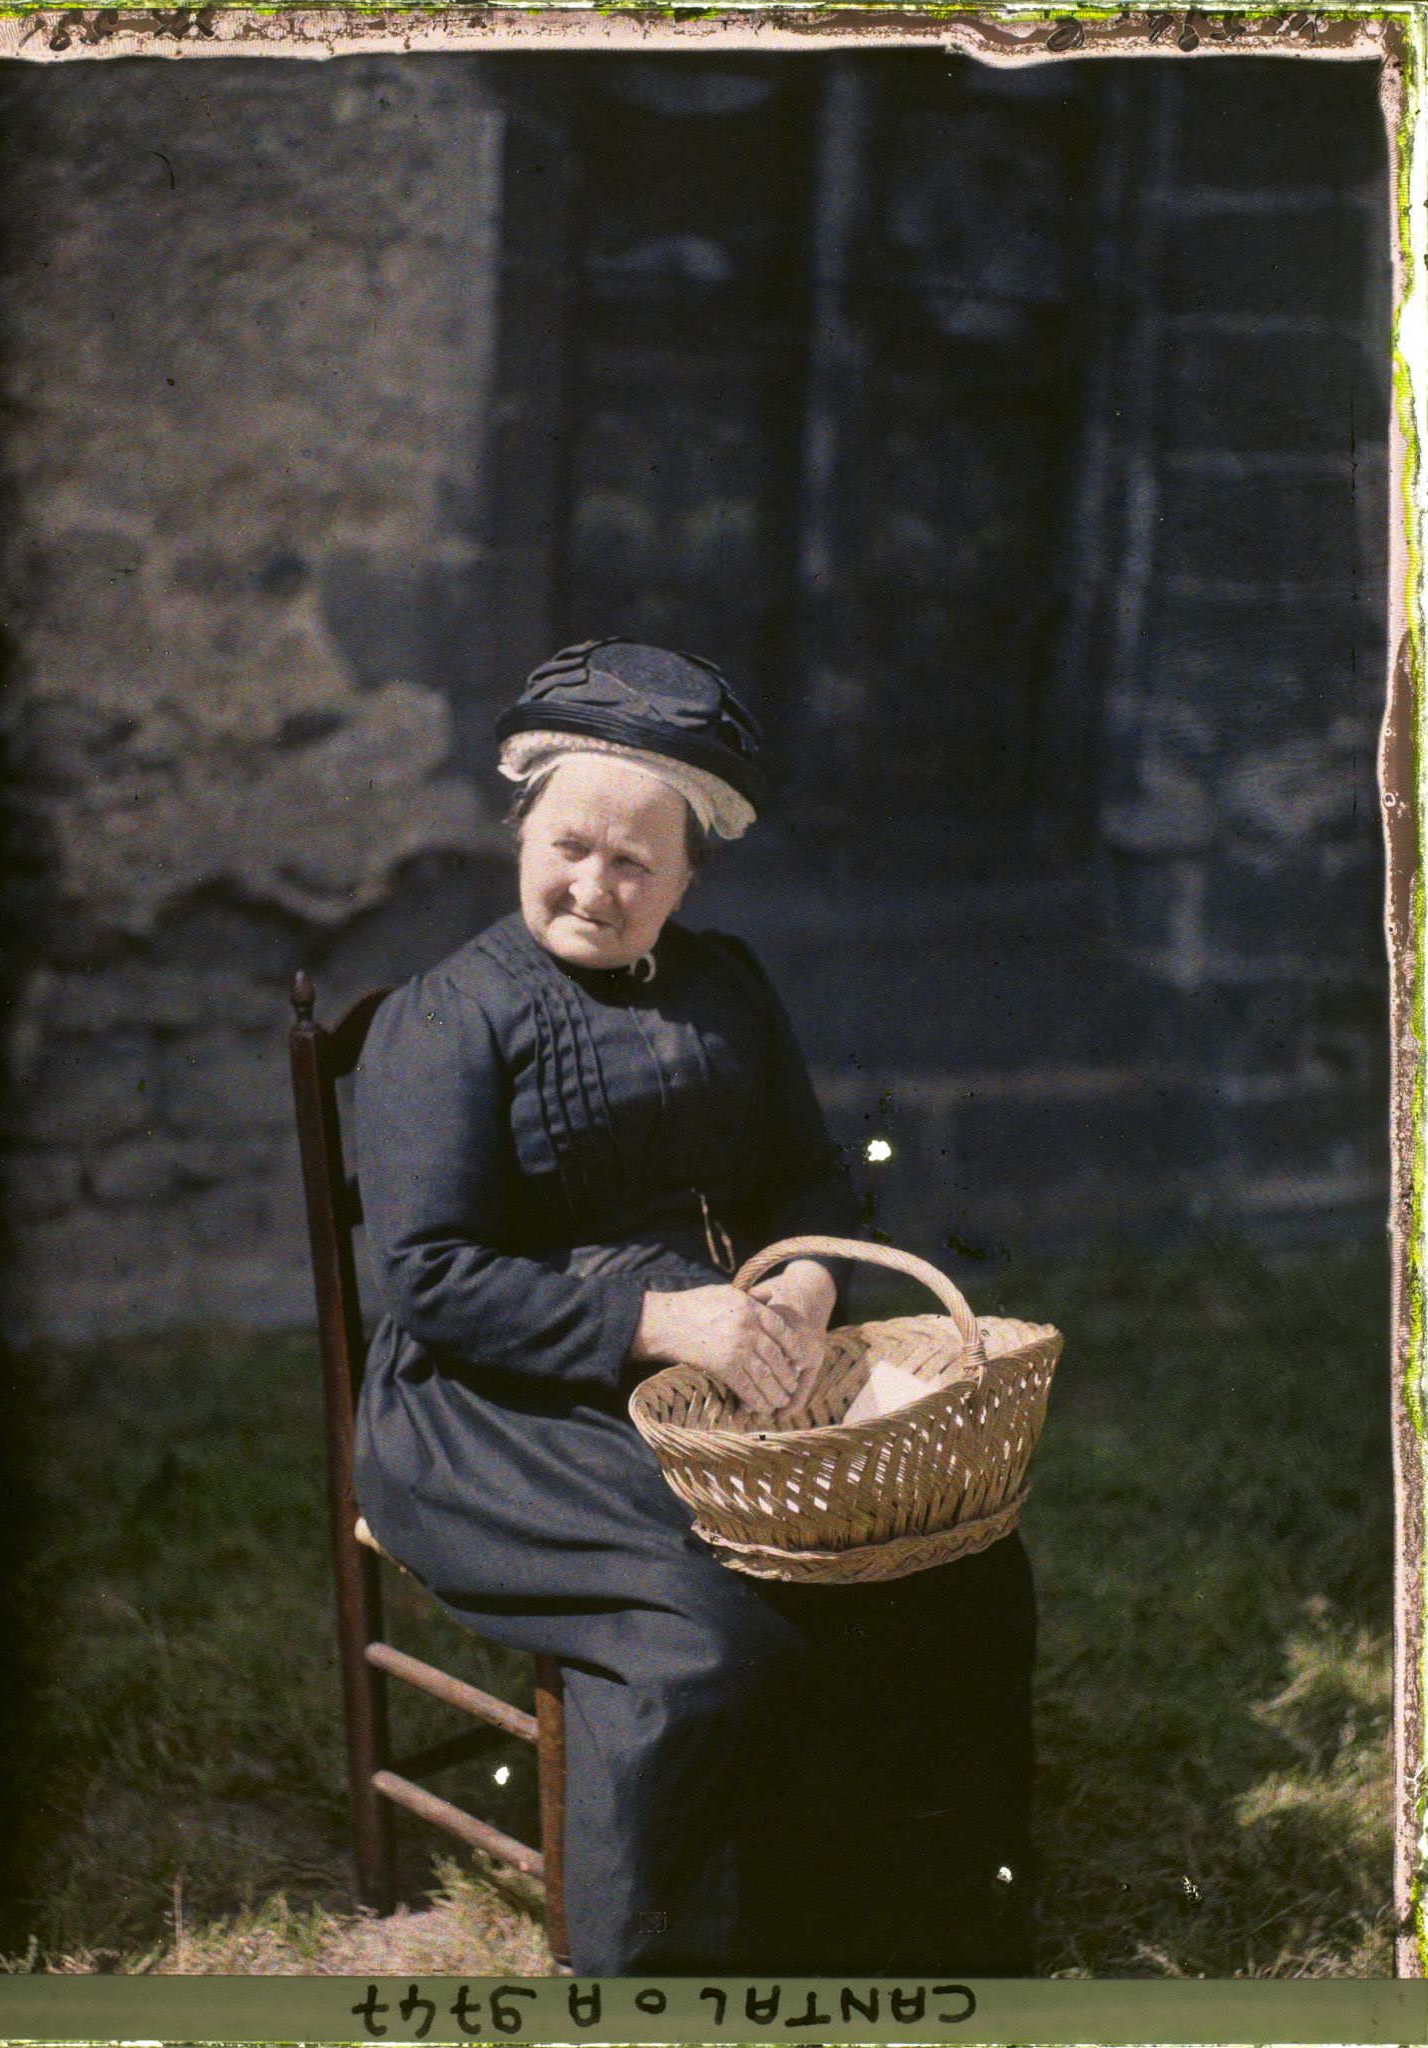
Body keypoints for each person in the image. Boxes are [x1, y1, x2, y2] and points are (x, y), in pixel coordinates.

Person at [354, 639, 1036, 1976]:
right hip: (494, 1410)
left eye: (633, 866)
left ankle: (905, 1942)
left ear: (684, 877)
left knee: (952, 1564)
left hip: (718, 1397)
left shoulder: (726, 990)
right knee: (710, 1632)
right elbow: (432, 1278)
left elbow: (805, 1175)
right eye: (567, 846)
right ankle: (672, 1977)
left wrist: (803, 1277)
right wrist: (667, 1324)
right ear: (522, 833)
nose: (591, 888)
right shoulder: (452, 1019)